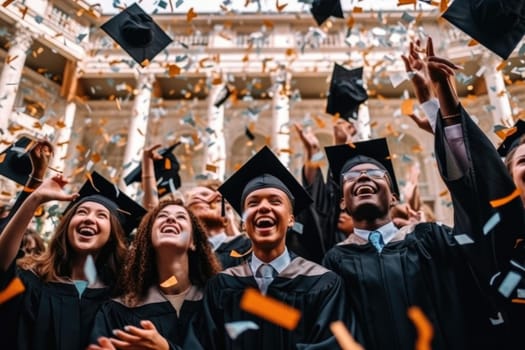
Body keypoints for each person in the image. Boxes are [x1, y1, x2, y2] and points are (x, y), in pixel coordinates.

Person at [323, 37, 524, 350]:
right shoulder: (333, 262)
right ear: (342, 203)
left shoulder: (433, 241)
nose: (363, 176)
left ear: (394, 197)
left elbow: (475, 195)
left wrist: (439, 99)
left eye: (376, 173)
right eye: (351, 177)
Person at [194, 146, 355, 349]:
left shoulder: (323, 283)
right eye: (252, 203)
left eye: (275, 201)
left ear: (291, 219)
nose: (263, 207)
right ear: (243, 224)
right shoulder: (221, 286)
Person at [0, 171, 145, 350]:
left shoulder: (121, 299)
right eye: (82, 212)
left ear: (112, 235)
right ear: (67, 226)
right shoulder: (33, 282)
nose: (89, 219)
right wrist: (35, 198)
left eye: (101, 215)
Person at [88, 198, 220, 350]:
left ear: (193, 242)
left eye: (181, 217)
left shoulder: (217, 302)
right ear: (148, 238)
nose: (171, 218)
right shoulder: (118, 310)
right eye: (162, 216)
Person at [185, 181, 252, 269]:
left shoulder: (250, 248)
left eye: (205, 195)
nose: (196, 197)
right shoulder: (183, 256)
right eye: (190, 197)